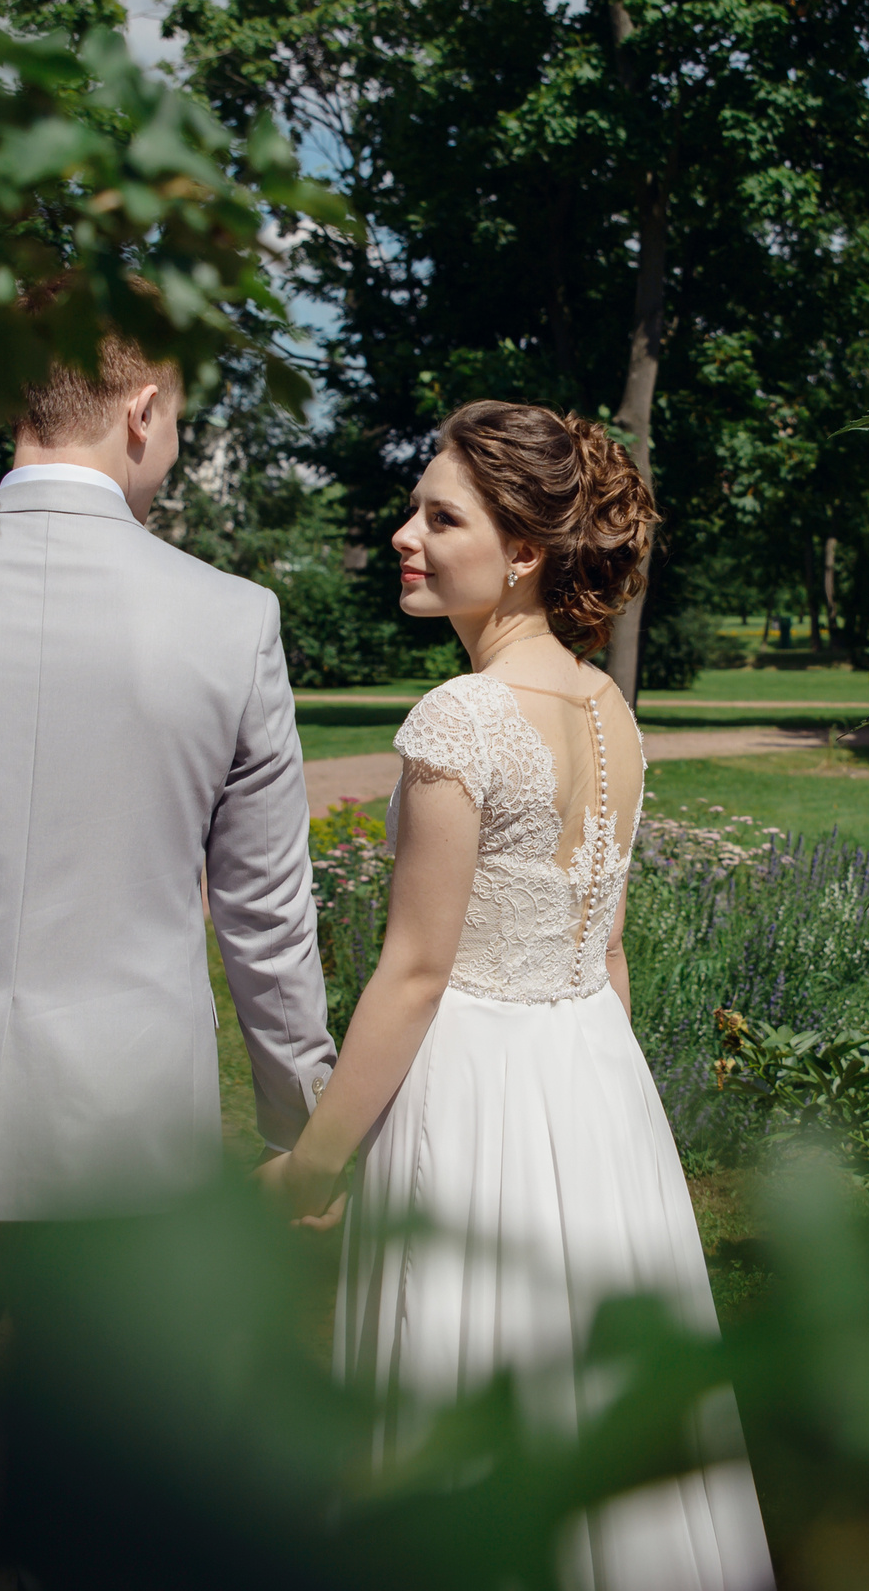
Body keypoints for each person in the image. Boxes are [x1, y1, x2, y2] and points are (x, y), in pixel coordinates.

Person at [0, 309, 337, 1571]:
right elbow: (264, 915)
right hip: (123, 1153)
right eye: (179, 415)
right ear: (142, 410)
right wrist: (300, 1124)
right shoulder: (229, 619)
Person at [259, 401, 775, 1590]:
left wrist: (315, 1164)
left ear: (526, 551)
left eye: (439, 518)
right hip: (598, 1082)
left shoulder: (465, 717)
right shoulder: (609, 710)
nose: (405, 535)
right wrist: (607, 1115)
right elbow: (605, 951)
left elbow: (415, 970)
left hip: (479, 1086)